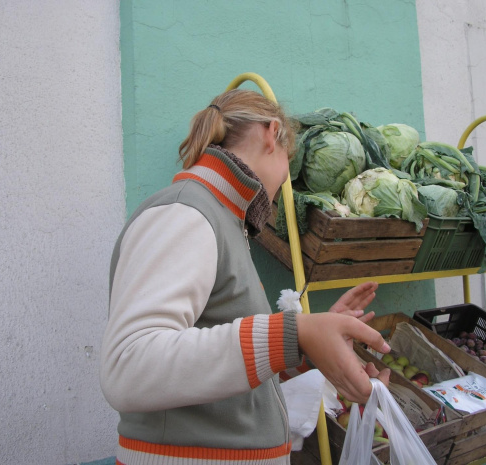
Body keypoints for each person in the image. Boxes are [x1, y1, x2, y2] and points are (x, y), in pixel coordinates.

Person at [100, 88, 391, 465]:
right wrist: (295, 332)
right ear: (272, 133)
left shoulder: (220, 218)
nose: (283, 185)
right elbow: (128, 367)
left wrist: (309, 344)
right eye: (290, 165)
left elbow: (221, 373)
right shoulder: (185, 213)